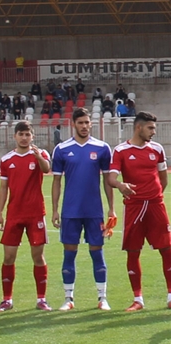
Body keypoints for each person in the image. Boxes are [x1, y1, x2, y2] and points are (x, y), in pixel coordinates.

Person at [51, 108, 116, 311]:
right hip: (70, 211)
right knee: (69, 254)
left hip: (94, 211)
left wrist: (111, 209)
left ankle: (102, 298)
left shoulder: (102, 148)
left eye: (87, 122)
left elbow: (107, 180)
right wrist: (54, 210)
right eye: (81, 123)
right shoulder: (61, 149)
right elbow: (56, 181)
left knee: (97, 253)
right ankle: (68, 299)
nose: (85, 126)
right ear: (74, 124)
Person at [107, 112, 171, 311]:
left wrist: (154, 196)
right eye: (150, 128)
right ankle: (138, 300)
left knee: (167, 249)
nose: (153, 132)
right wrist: (120, 185)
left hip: (155, 206)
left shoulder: (157, 149)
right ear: (138, 127)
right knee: (133, 251)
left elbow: (163, 179)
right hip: (134, 208)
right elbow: (111, 178)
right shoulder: (121, 150)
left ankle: (170, 295)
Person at [0, 122, 52, 312]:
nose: (24, 137)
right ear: (15, 136)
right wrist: (0, 213)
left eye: (28, 134)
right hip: (14, 214)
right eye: (21, 134)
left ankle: (41, 299)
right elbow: (3, 188)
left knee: (38, 256)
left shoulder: (40, 154)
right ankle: (7, 299)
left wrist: (37, 157)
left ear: (32, 136)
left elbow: (46, 169)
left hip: (35, 212)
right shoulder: (6, 160)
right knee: (9, 256)